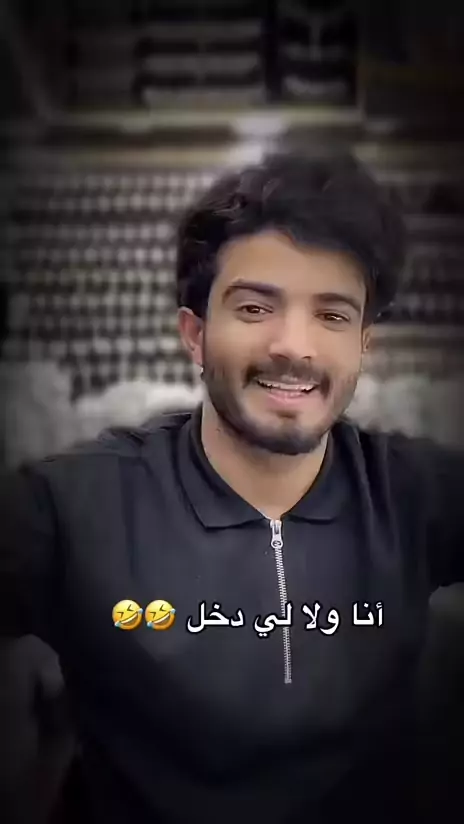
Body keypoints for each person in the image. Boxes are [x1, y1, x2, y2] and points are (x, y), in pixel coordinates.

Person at [1, 153, 463, 824]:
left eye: (332, 316)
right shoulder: (71, 508)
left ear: (365, 345)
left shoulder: (414, 494)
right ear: (195, 335)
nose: (294, 346)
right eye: (254, 307)